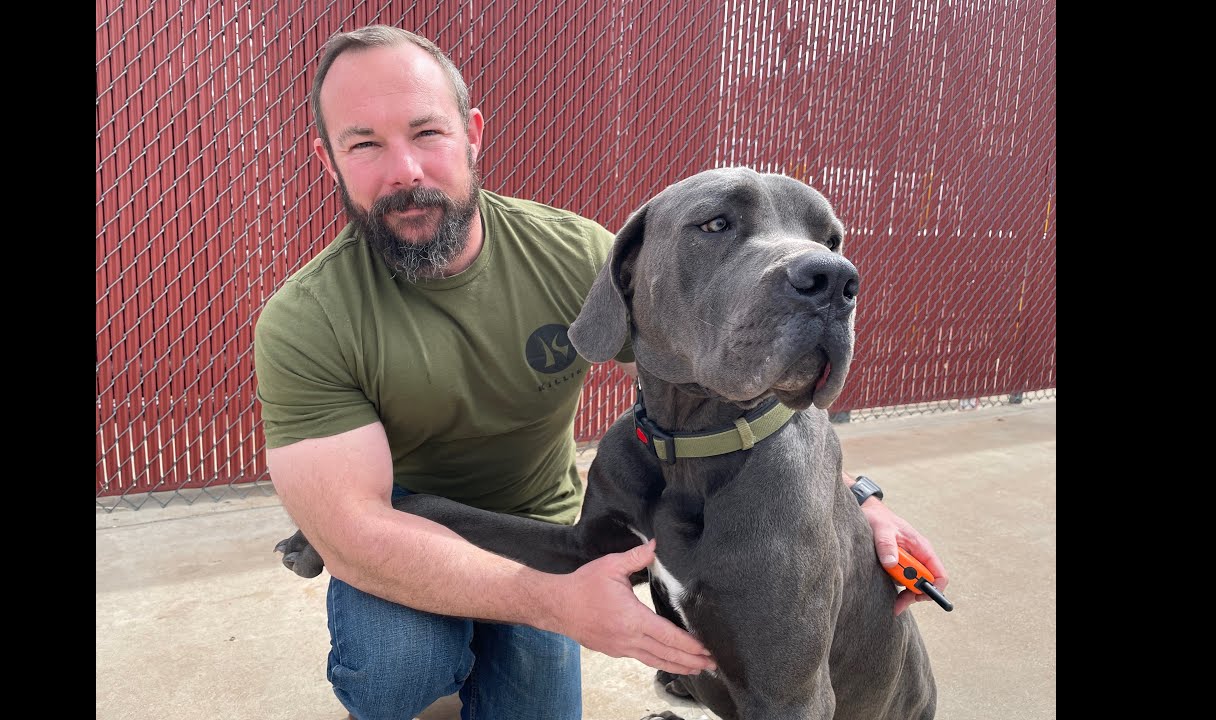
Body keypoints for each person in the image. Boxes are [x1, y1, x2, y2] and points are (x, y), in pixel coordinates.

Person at [253, 25, 949, 720]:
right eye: (365, 142)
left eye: (426, 132)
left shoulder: (571, 252)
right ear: (329, 158)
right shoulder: (307, 318)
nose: (404, 169)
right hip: (425, 529)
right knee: (399, 664)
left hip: (540, 513)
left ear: (471, 134)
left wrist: (858, 502)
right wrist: (553, 601)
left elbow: (757, 370)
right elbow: (353, 527)